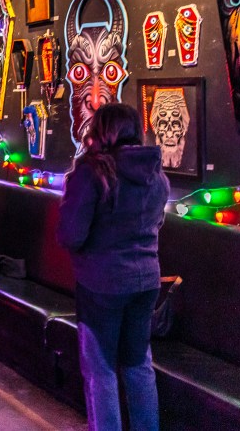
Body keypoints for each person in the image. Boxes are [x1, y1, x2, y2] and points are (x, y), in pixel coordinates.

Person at [57, 102, 169, 431]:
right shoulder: (157, 175)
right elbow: (157, 223)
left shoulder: (92, 173)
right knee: (138, 364)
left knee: (101, 370)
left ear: (102, 130)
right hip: (147, 282)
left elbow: (70, 235)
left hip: (101, 284)